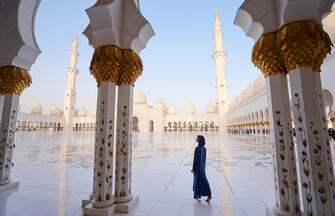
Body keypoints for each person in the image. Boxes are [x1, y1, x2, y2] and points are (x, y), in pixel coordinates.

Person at [191, 135, 212, 201]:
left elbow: (195, 160)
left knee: (201, 181)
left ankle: (209, 195)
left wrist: (193, 168)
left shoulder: (197, 149)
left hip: (198, 168)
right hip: (202, 167)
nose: (195, 138)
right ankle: (198, 195)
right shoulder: (204, 148)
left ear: (199, 140)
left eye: (196, 138)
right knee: (200, 181)